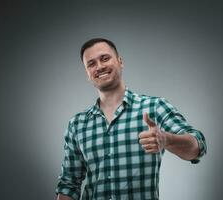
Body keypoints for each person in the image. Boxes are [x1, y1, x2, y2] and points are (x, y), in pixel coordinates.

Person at [56, 38, 207, 200]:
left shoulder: (154, 108)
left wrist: (167, 139)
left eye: (105, 58)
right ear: (87, 73)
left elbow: (198, 147)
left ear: (120, 62)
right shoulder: (77, 124)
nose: (99, 66)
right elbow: (69, 184)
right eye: (91, 64)